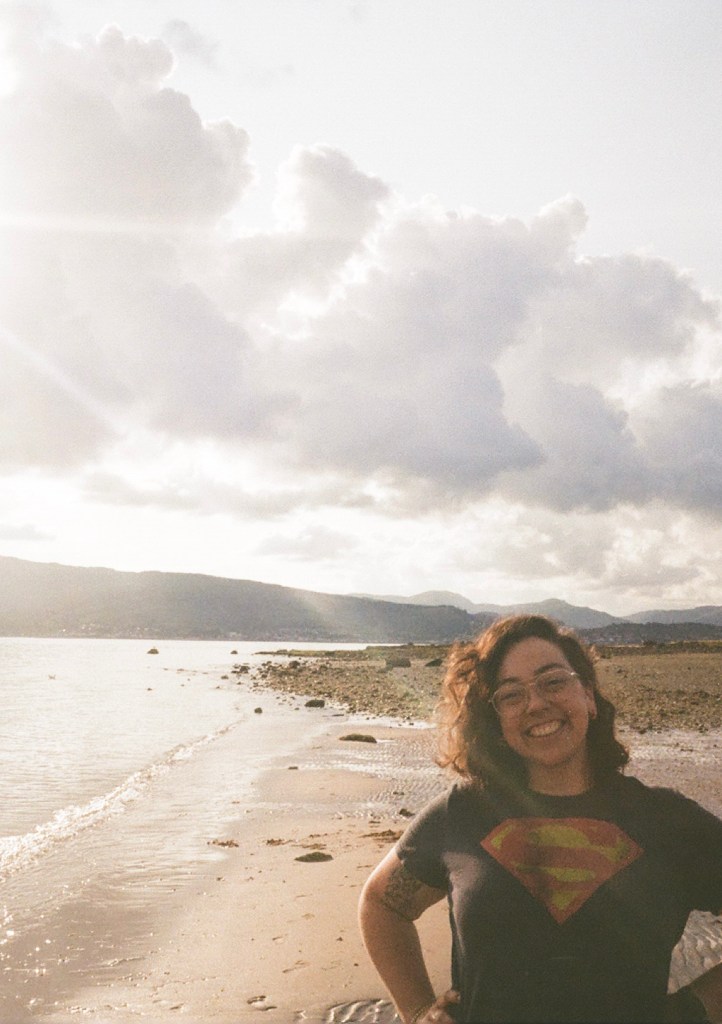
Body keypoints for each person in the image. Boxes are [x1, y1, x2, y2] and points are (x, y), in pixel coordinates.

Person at [358, 614, 722, 1023]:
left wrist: (695, 1008)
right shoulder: (462, 812)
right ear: (495, 721)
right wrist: (418, 1010)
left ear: (588, 695)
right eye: (510, 695)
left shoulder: (667, 820)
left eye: (553, 682)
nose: (535, 704)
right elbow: (381, 904)